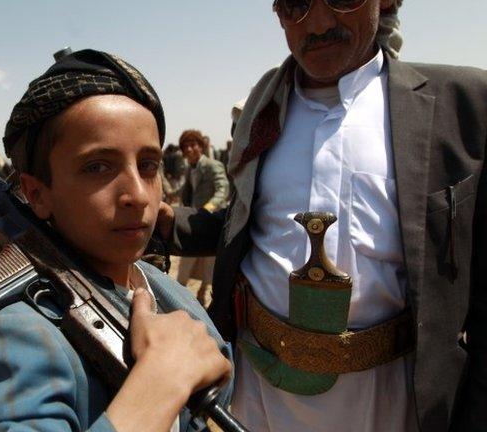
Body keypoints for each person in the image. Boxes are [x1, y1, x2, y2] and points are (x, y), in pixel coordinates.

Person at [158, 0, 487, 430]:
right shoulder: (263, 112)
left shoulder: (461, 105)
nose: (317, 23)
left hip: (394, 399)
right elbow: (247, 228)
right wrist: (166, 223)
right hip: (262, 392)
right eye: (295, 4)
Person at [0, 49, 233, 432]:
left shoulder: (159, 288)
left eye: (148, 165)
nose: (137, 194)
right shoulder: (21, 336)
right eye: (97, 167)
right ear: (36, 193)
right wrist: (158, 386)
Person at [176, 129, 229, 307]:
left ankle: (201, 294)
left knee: (208, 267)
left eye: (193, 145)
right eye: (186, 147)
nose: (190, 149)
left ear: (201, 146)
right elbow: (185, 191)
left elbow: (223, 189)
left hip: (210, 222)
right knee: (184, 268)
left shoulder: (213, 165)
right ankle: (177, 300)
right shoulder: (189, 169)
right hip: (192, 222)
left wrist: (208, 209)